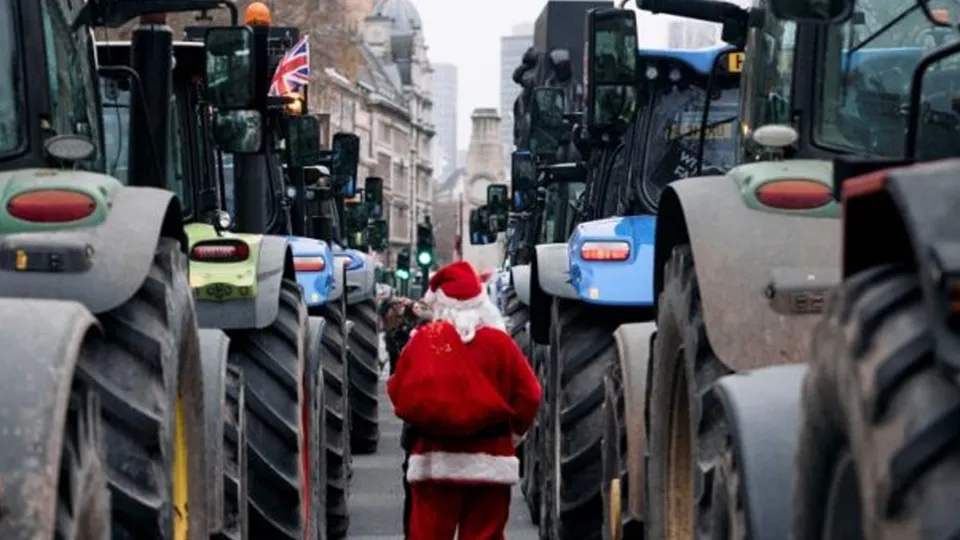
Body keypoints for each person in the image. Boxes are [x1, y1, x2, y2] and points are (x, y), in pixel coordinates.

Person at [387, 261, 542, 540]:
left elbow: (399, 393)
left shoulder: (425, 340)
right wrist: (514, 435)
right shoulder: (500, 344)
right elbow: (530, 394)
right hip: (491, 462)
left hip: (434, 463)